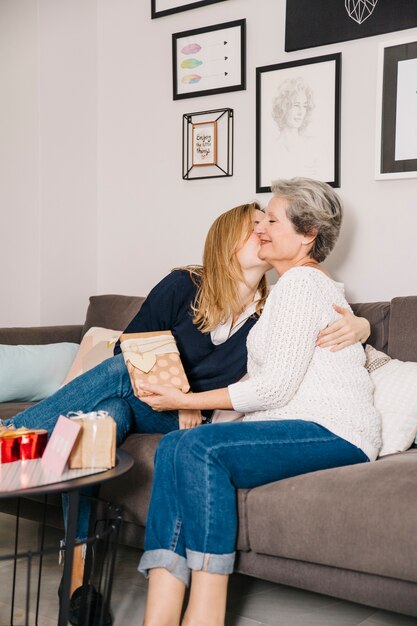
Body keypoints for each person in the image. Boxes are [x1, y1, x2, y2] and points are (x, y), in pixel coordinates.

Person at [0, 200, 369, 620]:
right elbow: (130, 347)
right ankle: (79, 578)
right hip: (155, 400)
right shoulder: (183, 285)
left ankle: (11, 436)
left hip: (202, 416)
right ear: (228, 239)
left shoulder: (274, 307)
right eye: (255, 226)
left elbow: (321, 329)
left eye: (270, 224)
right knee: (103, 418)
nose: (264, 232)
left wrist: (363, 325)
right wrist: (176, 393)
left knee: (106, 411)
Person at [136, 178, 382, 626]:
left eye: (272, 219)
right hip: (307, 426)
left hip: (334, 430)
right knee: (176, 446)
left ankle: (205, 615)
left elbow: (272, 389)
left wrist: (185, 397)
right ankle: (160, 615)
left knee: (195, 446)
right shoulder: (293, 290)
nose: (261, 227)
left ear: (308, 235)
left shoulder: (301, 284)